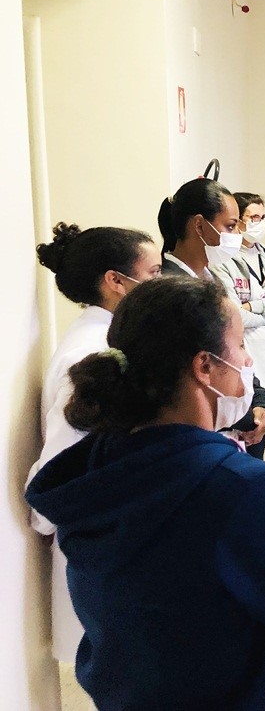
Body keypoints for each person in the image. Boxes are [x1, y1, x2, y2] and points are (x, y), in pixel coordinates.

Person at [24, 276, 265, 710]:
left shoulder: (94, 467)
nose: (248, 359)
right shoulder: (241, 489)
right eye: (239, 345)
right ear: (205, 366)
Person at [26, 223, 161, 666]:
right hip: (101, 543)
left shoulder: (109, 338)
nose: (160, 282)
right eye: (153, 273)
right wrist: (45, 518)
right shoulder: (91, 353)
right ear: (116, 281)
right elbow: (61, 460)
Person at [158, 177, 265, 451]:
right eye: (230, 227)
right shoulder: (171, 292)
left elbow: (236, 348)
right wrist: (244, 416)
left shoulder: (211, 278)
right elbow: (193, 373)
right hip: (199, 429)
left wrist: (258, 399)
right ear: (200, 226)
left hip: (234, 416)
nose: (237, 235)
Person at [212, 192, 265, 460]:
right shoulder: (221, 261)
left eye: (262, 217)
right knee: (241, 432)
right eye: (253, 217)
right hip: (245, 361)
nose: (258, 223)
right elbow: (233, 316)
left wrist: (254, 306)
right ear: (237, 221)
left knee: (261, 430)